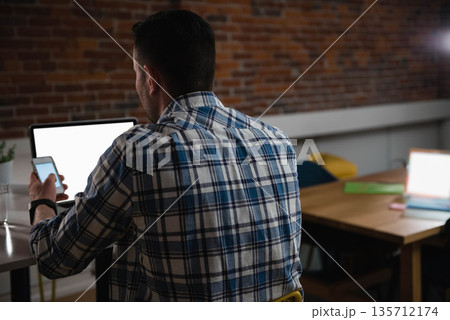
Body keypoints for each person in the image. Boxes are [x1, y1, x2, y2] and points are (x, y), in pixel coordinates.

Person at [28, 10, 302, 302]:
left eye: (136, 74)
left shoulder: (138, 151)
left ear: (150, 79)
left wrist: (41, 202)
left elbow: (54, 258)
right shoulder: (276, 139)